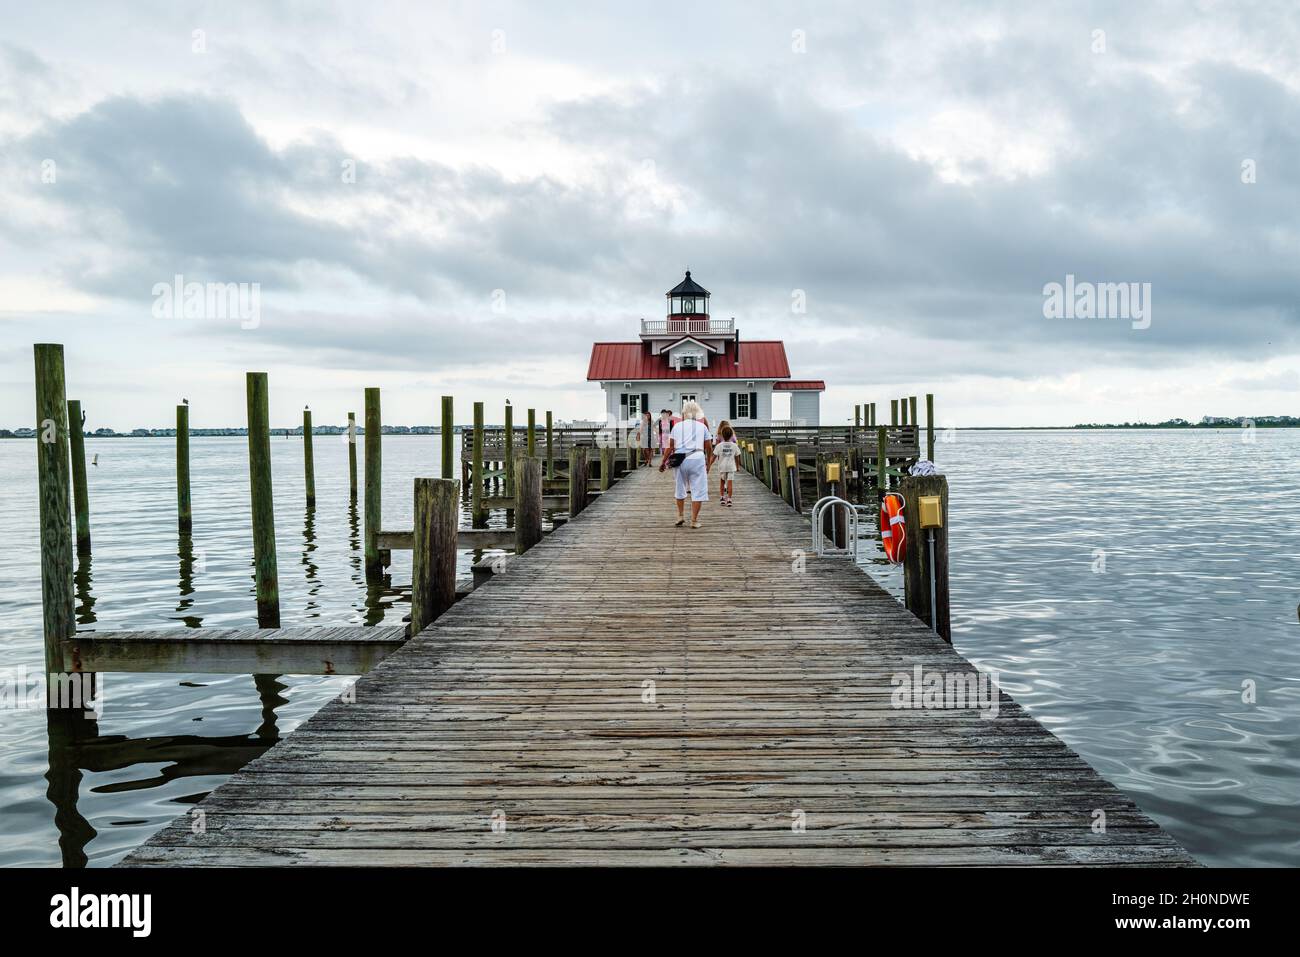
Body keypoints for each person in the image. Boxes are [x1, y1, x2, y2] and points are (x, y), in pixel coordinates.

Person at [659, 399, 713, 528]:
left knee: (680, 487)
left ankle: (680, 515)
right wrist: (709, 463)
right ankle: (694, 521)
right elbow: (709, 447)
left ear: (684, 414)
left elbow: (670, 447)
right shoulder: (703, 427)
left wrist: (663, 462)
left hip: (680, 459)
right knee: (698, 490)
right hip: (697, 458)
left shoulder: (677, 426)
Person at [713, 424, 740, 506]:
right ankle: (729, 499)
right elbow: (737, 457)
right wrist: (737, 466)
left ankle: (722, 498)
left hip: (722, 466)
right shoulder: (734, 446)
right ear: (731, 435)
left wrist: (709, 464)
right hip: (731, 467)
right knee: (729, 483)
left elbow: (714, 456)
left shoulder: (719, 446)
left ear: (721, 435)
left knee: (722, 482)